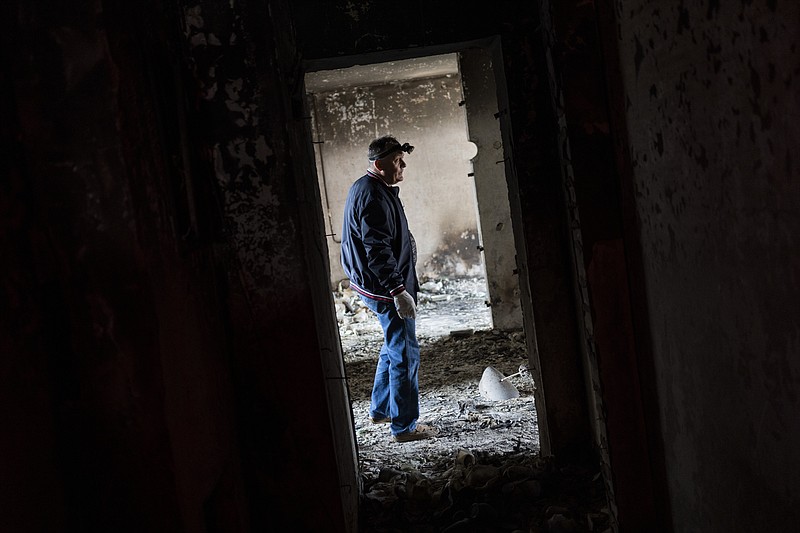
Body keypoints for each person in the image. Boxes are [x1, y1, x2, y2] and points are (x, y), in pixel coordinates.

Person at [340, 135, 437, 443]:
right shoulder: (373, 196)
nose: (403, 164)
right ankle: (405, 426)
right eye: (397, 160)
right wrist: (397, 290)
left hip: (374, 284)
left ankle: (382, 408)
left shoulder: (370, 187)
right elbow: (377, 248)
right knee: (406, 353)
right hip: (384, 288)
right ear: (379, 165)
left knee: (393, 344)